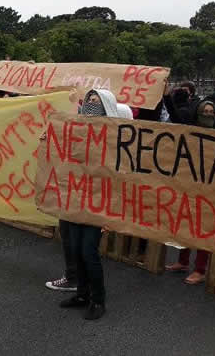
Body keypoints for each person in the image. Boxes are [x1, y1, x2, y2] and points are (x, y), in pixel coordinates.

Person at [58, 89, 120, 320]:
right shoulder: (76, 130)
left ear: (106, 105)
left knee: (88, 251)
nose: (91, 105)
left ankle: (98, 299)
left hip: (98, 203)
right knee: (75, 249)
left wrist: (110, 214)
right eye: (89, 101)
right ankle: (82, 294)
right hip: (76, 199)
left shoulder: (114, 135)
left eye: (97, 101)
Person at [165, 100, 215, 284]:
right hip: (189, 184)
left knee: (203, 229)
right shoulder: (189, 131)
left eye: (212, 112)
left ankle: (200, 269)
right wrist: (167, 97)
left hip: (210, 188)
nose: (209, 114)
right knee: (185, 224)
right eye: (205, 111)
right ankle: (183, 261)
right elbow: (174, 115)